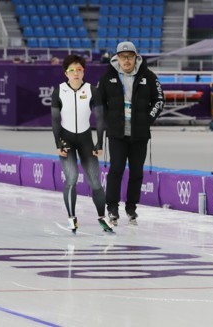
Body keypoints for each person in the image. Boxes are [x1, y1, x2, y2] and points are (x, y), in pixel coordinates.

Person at [98, 41, 164, 226]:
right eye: (123, 56)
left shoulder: (149, 76)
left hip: (139, 135)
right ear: (117, 58)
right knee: (116, 169)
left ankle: (131, 207)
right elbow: (98, 101)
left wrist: (147, 120)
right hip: (117, 134)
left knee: (136, 172)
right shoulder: (107, 77)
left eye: (130, 56)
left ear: (136, 57)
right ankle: (112, 207)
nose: (126, 60)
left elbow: (159, 100)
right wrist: (108, 120)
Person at [51, 54, 114, 234]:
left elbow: (101, 119)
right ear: (66, 73)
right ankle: (72, 218)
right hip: (66, 139)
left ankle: (102, 218)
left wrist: (100, 143)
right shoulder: (59, 91)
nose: (76, 73)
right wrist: (58, 143)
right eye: (72, 70)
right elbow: (55, 120)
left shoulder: (92, 90)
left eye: (79, 70)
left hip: (86, 139)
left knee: (95, 181)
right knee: (71, 178)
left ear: (84, 71)